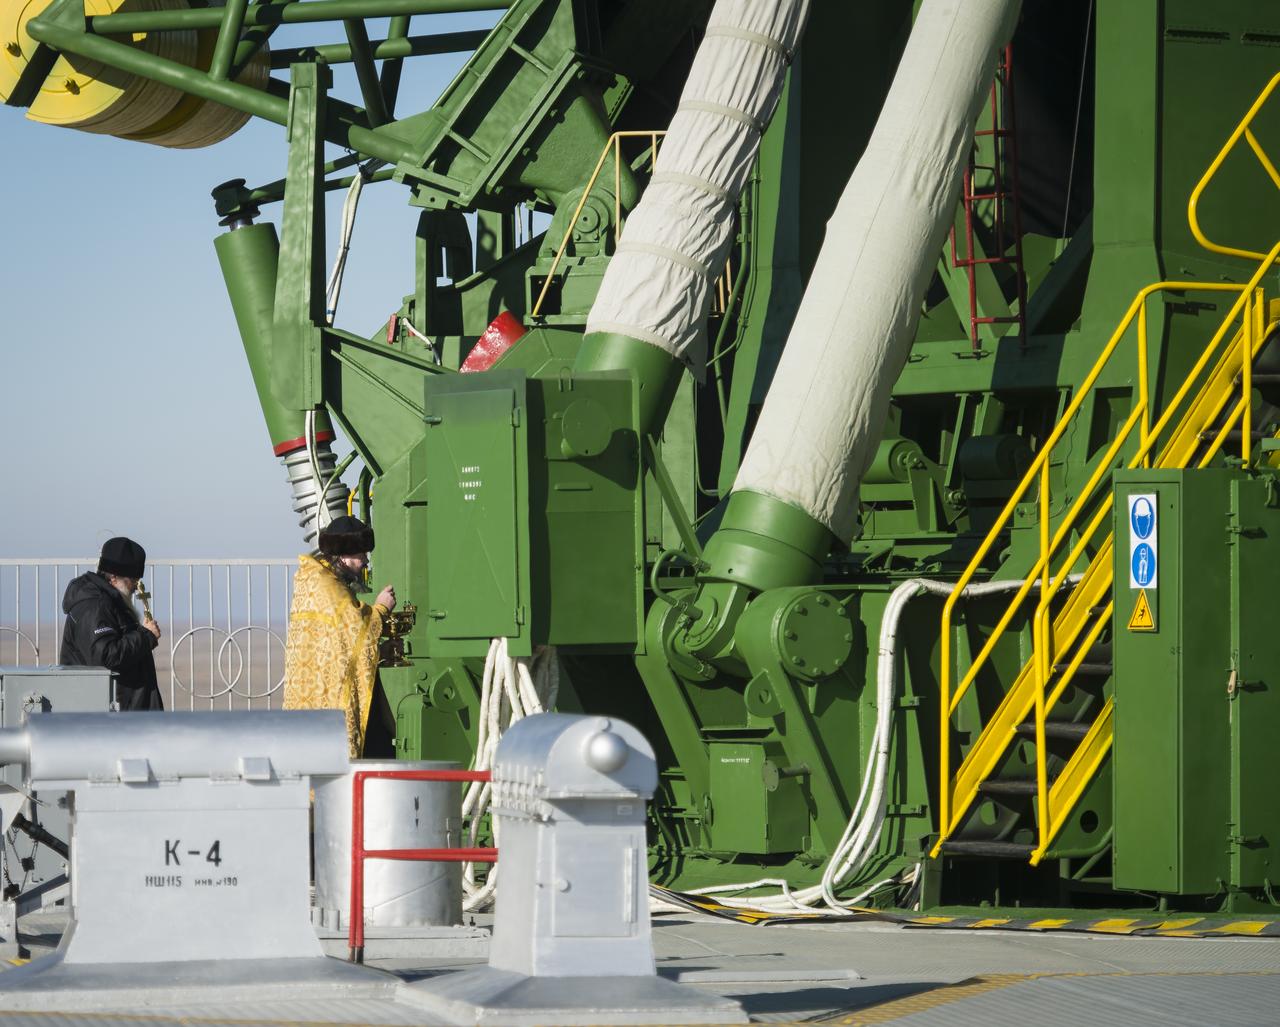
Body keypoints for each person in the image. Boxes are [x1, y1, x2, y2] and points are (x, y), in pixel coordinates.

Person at [283, 515, 396, 758]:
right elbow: (354, 626)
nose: (365, 561)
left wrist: (378, 654)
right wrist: (382, 609)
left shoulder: (313, 580)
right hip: (331, 697)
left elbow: (338, 646)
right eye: (360, 555)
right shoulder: (328, 586)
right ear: (343, 555)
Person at [60, 536, 164, 711]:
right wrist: (146, 636)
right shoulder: (95, 606)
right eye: (133, 580)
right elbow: (106, 656)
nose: (136, 588)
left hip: (123, 709)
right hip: (110, 712)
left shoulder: (109, 601)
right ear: (114, 577)